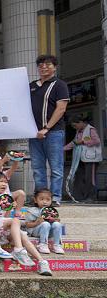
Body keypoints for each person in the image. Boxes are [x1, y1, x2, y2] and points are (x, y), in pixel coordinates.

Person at [0, 172, 50, 275]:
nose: (4, 184)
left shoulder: (6, 198)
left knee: (23, 236)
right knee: (15, 220)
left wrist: (9, 208)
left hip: (2, 226)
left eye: (5, 182)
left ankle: (42, 262)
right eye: (1, 181)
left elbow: (5, 217)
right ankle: (18, 249)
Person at [29, 55, 69, 206]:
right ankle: (40, 199)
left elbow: (61, 109)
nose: (44, 67)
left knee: (56, 168)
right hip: (34, 134)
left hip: (54, 133)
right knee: (37, 168)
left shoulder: (59, 85)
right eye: (40, 65)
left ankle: (55, 198)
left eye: (48, 64)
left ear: (55, 67)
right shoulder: (32, 86)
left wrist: (46, 128)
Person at [65, 117, 101, 201]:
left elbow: (97, 141)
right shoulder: (78, 132)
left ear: (80, 122)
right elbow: (74, 142)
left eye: (75, 125)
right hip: (81, 158)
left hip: (91, 158)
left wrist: (83, 142)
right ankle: (79, 197)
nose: (75, 128)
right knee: (79, 176)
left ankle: (90, 197)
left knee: (90, 178)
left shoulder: (91, 129)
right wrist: (62, 149)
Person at [24, 188, 64, 254]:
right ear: (35, 200)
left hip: (49, 232)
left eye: (48, 200)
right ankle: (42, 244)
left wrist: (55, 220)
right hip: (36, 231)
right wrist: (37, 222)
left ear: (51, 200)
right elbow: (27, 225)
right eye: (42, 199)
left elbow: (56, 223)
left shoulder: (52, 211)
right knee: (45, 224)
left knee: (57, 224)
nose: (45, 202)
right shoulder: (32, 211)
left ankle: (57, 245)